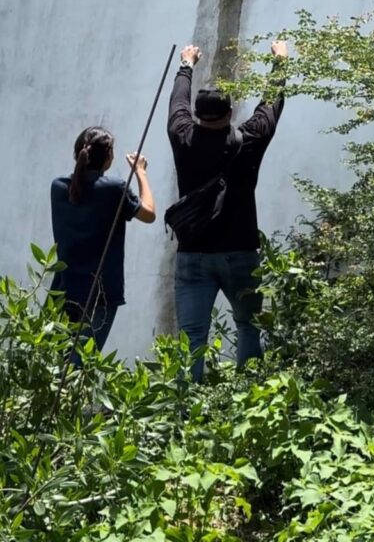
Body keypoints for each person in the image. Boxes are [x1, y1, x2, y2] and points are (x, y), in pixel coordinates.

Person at [167, 42, 288, 382]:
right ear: (230, 113)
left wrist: (186, 65)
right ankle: (248, 398)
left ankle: (184, 412)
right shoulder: (249, 139)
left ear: (197, 115)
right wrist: (280, 61)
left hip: (194, 254)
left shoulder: (182, 136)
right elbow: (271, 105)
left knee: (192, 338)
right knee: (248, 327)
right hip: (240, 252)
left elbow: (177, 103)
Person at [50, 125, 156, 355]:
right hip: (101, 292)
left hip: (63, 288)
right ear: (108, 157)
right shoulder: (113, 189)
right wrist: (140, 172)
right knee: (82, 361)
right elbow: (149, 214)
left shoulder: (58, 187)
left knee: (58, 359)